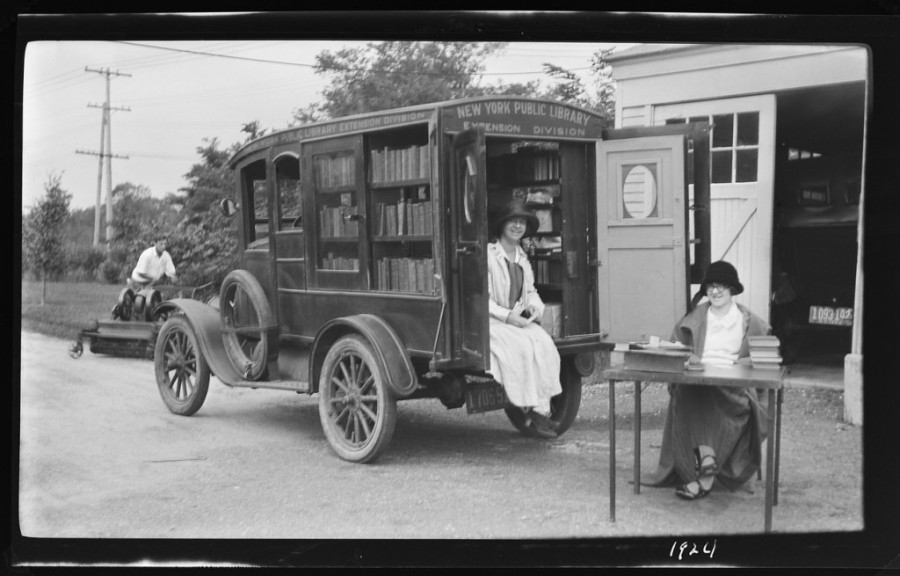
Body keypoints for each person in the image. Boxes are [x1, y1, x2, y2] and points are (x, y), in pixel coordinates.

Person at [642, 260, 772, 500]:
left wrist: (747, 369)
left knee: (713, 399)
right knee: (689, 396)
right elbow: (675, 351)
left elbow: (764, 363)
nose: (716, 291)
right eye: (711, 285)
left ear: (732, 289)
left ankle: (705, 472)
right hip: (696, 384)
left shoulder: (751, 323)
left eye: (722, 285)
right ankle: (707, 466)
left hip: (733, 390)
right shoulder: (693, 319)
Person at [486, 200, 562, 439]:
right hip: (492, 321)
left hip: (518, 320)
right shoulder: (488, 256)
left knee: (545, 344)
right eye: (513, 222)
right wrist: (508, 316)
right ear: (501, 226)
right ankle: (530, 408)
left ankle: (541, 410)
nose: (518, 226)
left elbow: (530, 292)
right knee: (519, 348)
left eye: (522, 223)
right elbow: (482, 299)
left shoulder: (522, 257)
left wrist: (534, 309)